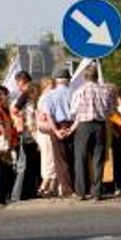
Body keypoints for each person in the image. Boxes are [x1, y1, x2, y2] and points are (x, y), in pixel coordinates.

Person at [68, 64, 113, 201]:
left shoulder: (79, 91)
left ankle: (81, 192)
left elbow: (73, 112)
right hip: (100, 126)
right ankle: (97, 192)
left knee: (80, 159)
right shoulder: (105, 91)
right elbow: (109, 111)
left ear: (84, 77)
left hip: (83, 126)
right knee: (97, 159)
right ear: (97, 77)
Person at [44, 67, 75, 197]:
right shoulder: (74, 93)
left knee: (61, 160)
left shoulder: (50, 95)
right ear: (68, 80)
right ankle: (78, 187)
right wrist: (71, 128)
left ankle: (67, 190)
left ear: (56, 81)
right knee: (74, 157)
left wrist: (56, 131)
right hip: (72, 125)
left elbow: (49, 115)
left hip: (57, 125)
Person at [10, 71, 40, 202]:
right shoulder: (38, 92)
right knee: (34, 163)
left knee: (22, 164)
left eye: (19, 84)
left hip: (28, 132)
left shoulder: (26, 93)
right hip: (38, 132)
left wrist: (19, 119)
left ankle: (17, 194)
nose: (18, 87)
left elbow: (14, 110)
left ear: (23, 81)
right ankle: (31, 191)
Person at [34, 78, 57, 197]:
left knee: (51, 158)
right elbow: (44, 116)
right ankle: (44, 186)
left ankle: (51, 188)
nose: (53, 89)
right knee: (49, 159)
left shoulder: (44, 98)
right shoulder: (44, 99)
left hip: (46, 131)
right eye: (51, 86)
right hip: (46, 132)